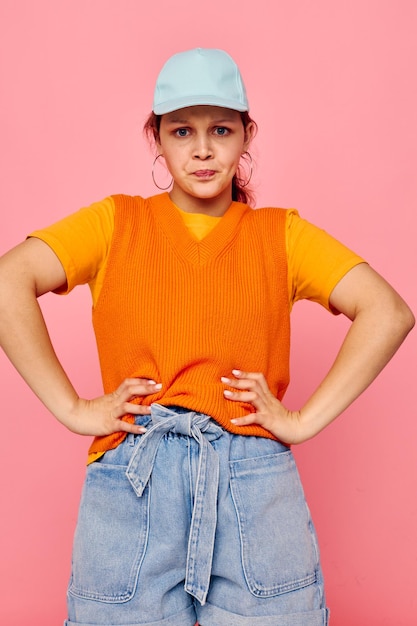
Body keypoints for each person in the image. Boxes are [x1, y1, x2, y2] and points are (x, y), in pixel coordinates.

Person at [0, 48, 414, 626]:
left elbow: (388, 311)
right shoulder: (116, 223)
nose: (201, 149)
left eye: (220, 129)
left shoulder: (280, 235)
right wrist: (72, 408)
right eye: (181, 130)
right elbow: (8, 279)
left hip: (253, 481)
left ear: (247, 135)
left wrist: (303, 421)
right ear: (158, 139)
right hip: (136, 474)